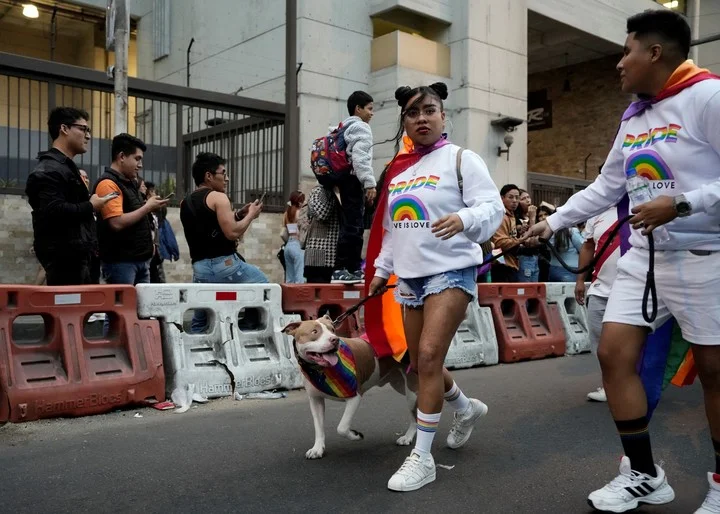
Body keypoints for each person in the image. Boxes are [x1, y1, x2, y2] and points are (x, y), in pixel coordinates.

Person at [523, 10, 720, 513]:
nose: (619, 63)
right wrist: (553, 222)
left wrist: (681, 203)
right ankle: (644, 474)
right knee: (614, 355)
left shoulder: (708, 96)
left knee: (716, 374)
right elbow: (607, 186)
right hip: (646, 259)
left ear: (655, 53)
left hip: (707, 258)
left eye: (627, 50)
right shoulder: (635, 116)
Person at [366, 82, 504, 492]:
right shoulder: (398, 172)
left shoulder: (462, 159)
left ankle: (422, 456)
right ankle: (465, 407)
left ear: (444, 116)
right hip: (408, 276)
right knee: (419, 361)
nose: (421, 118)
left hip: (452, 271)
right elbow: (393, 230)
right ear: (405, 121)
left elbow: (492, 208)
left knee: (427, 355)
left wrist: (463, 221)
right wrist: (380, 271)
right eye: (413, 112)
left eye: (429, 110)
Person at [180, 152, 267, 332]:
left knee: (201, 316)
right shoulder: (219, 197)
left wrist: (237, 215)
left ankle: (193, 352)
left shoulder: (185, 202)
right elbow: (232, 232)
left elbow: (208, 227)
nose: (227, 179)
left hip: (200, 270)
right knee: (264, 287)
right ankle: (246, 331)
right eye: (223, 173)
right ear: (209, 176)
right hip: (225, 266)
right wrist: (251, 215)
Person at [25, 107, 112, 285]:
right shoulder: (49, 170)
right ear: (64, 129)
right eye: (83, 129)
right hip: (65, 259)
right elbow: (53, 210)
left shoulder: (65, 167)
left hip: (78, 257)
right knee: (68, 311)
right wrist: (91, 206)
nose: (88, 136)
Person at [93, 134, 168, 285]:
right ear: (121, 156)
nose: (140, 164)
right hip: (121, 263)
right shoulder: (108, 184)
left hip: (140, 261)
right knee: (123, 308)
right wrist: (147, 207)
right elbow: (116, 222)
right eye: (137, 158)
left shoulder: (130, 183)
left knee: (141, 308)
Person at [575, 205, 621, 403]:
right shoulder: (596, 211)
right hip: (600, 288)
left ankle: (634, 383)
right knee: (599, 340)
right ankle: (610, 385)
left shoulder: (639, 204)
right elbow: (587, 246)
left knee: (630, 342)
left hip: (632, 289)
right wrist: (579, 281)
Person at [331, 91, 377, 284]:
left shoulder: (342, 128)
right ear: (358, 109)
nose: (371, 113)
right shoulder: (361, 128)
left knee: (349, 225)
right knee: (354, 227)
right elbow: (360, 158)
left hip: (343, 181)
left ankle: (348, 268)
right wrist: (370, 184)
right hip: (353, 181)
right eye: (369, 108)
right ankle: (346, 268)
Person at [303, 186, 341, 283]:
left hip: (333, 256)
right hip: (318, 257)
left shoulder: (345, 191)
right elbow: (321, 214)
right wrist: (333, 192)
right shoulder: (319, 190)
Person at [490, 184, 521, 282]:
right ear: (502, 198)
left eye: (517, 197)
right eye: (510, 197)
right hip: (502, 265)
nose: (515, 201)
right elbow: (499, 242)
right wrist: (521, 241)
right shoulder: (502, 216)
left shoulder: (511, 216)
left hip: (511, 263)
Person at [515, 189, 540, 282]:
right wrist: (532, 218)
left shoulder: (537, 216)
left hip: (535, 257)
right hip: (524, 257)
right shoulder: (516, 220)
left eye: (528, 197)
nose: (528, 200)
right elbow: (529, 241)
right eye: (523, 198)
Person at [282, 191, 306, 283]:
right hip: (297, 245)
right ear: (300, 202)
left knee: (289, 279)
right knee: (299, 278)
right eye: (303, 201)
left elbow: (283, 232)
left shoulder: (286, 214)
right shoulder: (300, 213)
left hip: (288, 246)